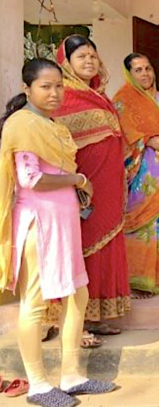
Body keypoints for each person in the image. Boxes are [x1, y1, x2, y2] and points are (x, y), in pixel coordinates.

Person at [0, 58, 115, 407]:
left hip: (63, 223)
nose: (54, 93)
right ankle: (37, 384)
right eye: (45, 86)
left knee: (77, 296)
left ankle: (72, 375)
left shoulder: (53, 125)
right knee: (34, 304)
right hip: (39, 224)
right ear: (27, 89)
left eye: (58, 86)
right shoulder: (22, 125)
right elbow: (31, 179)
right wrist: (78, 180)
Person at [52, 35, 129, 340]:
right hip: (83, 187)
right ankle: (75, 321)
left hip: (109, 187)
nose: (89, 61)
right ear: (66, 63)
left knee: (107, 246)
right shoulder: (63, 97)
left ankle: (99, 315)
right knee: (80, 249)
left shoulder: (99, 95)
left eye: (93, 56)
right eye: (81, 56)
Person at [113, 53, 159, 298]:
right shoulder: (124, 99)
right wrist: (150, 140)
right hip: (142, 174)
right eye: (138, 70)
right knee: (142, 224)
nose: (145, 74)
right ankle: (137, 280)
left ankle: (158, 279)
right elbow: (123, 133)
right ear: (129, 74)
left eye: (148, 68)